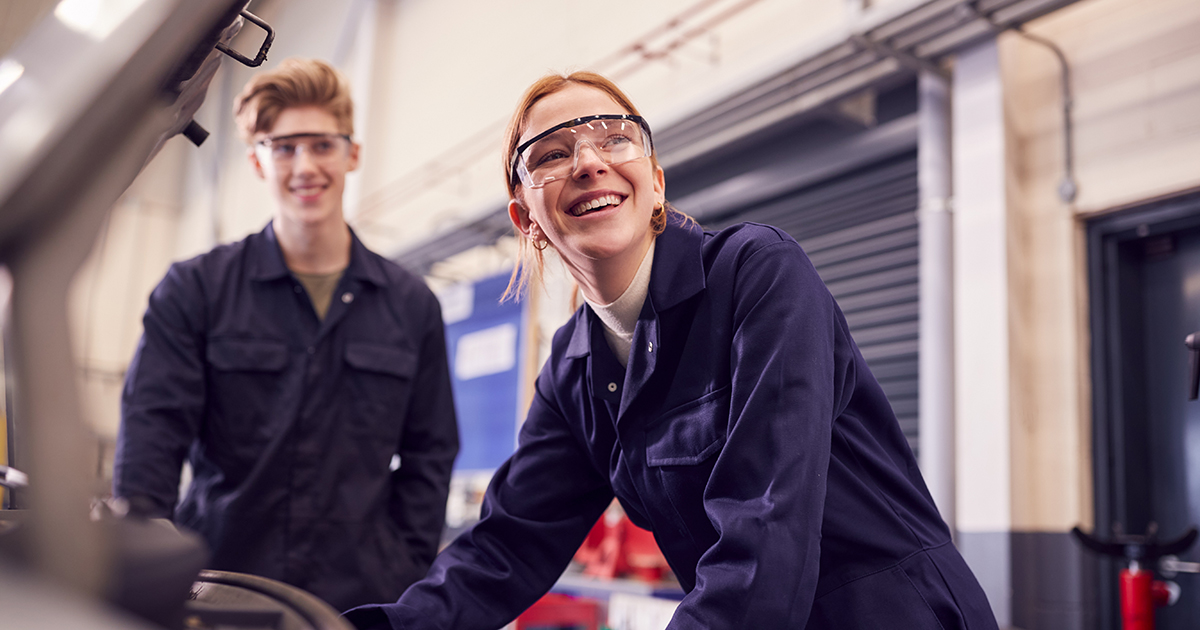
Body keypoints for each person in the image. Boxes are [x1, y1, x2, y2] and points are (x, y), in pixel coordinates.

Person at [344, 71, 997, 629]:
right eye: (551, 153)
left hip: (893, 612)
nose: (589, 161)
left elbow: (767, 520)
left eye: (614, 137)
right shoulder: (573, 369)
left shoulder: (757, 272)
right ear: (526, 220)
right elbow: (506, 547)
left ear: (655, 182)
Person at [112, 58, 459, 612]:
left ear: (352, 153)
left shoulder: (411, 305)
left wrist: (404, 563)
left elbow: (431, 453)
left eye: (322, 145)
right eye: (284, 147)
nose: (305, 166)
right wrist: (150, 559)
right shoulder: (196, 291)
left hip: (357, 603)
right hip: (217, 594)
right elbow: (151, 436)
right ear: (257, 161)